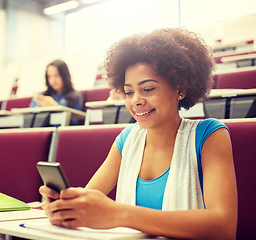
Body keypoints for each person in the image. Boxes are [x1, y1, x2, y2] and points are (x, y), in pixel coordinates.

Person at [39, 28, 238, 239]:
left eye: (148, 89)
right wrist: (65, 208)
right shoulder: (126, 141)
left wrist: (121, 214)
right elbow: (89, 201)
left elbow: (223, 227)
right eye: (128, 92)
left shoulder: (210, 135)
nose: (136, 101)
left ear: (180, 88)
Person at [29, 59, 83, 125]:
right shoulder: (41, 96)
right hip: (38, 132)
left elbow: (73, 123)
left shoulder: (75, 96)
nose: (53, 80)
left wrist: (56, 108)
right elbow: (28, 119)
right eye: (49, 76)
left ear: (64, 75)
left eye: (57, 75)